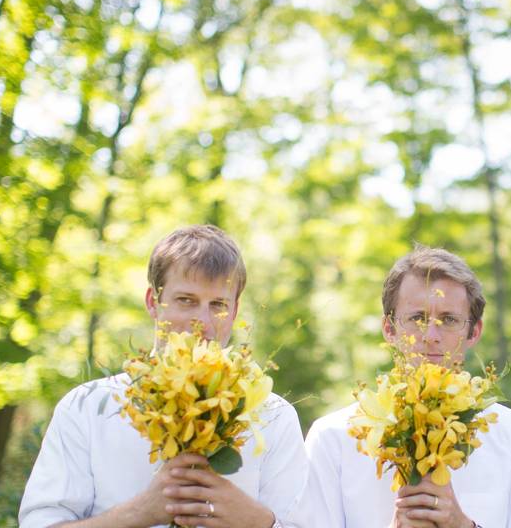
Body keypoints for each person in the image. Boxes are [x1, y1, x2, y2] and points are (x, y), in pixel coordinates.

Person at [19, 225, 310, 528]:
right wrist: (138, 513)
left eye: (218, 305)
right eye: (186, 300)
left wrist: (257, 522)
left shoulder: (274, 418)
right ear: (152, 302)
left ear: (235, 311)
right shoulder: (87, 407)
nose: (203, 322)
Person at [305, 245, 511, 527]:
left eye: (449, 320)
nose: (431, 336)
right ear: (389, 329)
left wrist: (461, 526)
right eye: (417, 319)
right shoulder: (333, 438)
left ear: (473, 331)